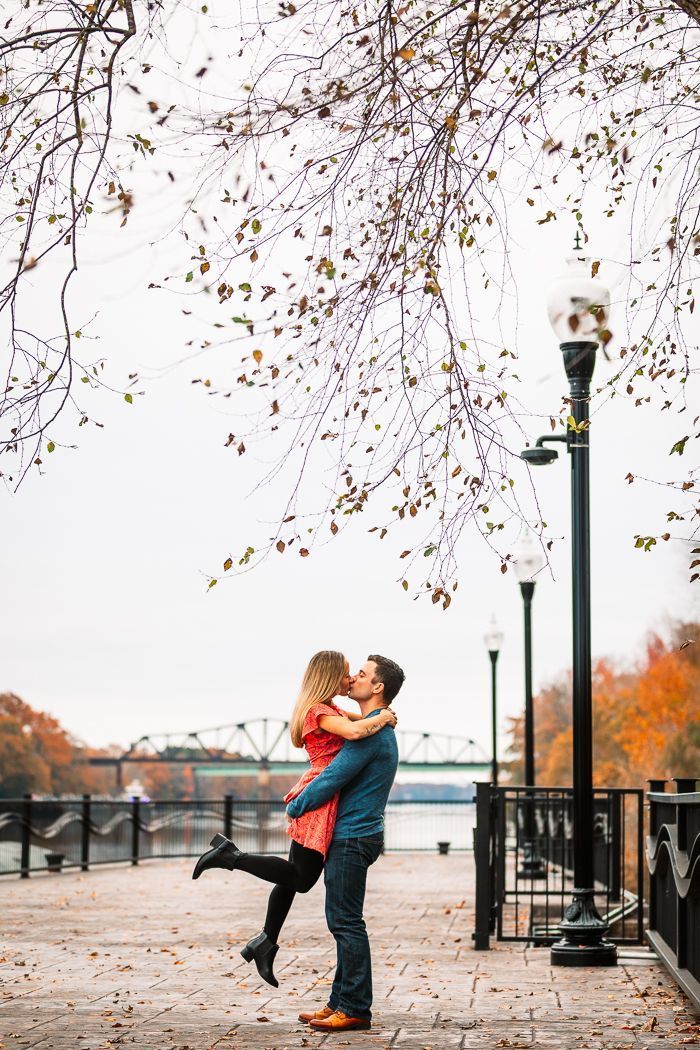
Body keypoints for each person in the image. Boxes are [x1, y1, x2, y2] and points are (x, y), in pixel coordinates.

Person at [191, 650, 397, 988]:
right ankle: (230, 857)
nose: (350, 679)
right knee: (300, 878)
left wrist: (377, 717)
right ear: (330, 677)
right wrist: (384, 717)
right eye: (347, 674)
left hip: (324, 799)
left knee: (293, 876)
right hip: (318, 799)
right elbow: (358, 733)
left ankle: (265, 942)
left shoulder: (330, 709)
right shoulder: (318, 712)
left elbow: (359, 723)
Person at [290, 654, 405, 1033]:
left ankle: (354, 1008)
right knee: (343, 920)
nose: (353, 676)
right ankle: (340, 1001)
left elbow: (329, 780)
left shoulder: (369, 737)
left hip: (352, 836)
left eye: (363, 673)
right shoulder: (373, 728)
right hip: (357, 834)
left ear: (378, 687)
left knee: (346, 922)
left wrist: (296, 806)